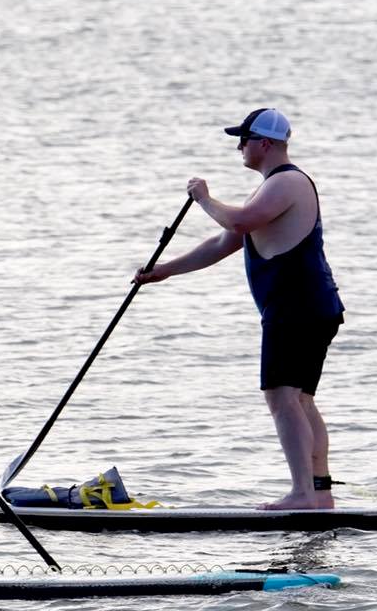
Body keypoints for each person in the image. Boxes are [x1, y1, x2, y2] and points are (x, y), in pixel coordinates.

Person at [134, 109, 344, 510]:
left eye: (244, 139)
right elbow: (222, 243)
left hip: (296, 307)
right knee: (299, 399)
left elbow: (242, 222)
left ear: (264, 143)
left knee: (282, 397)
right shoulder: (270, 189)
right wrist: (164, 271)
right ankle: (319, 493)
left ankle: (302, 494)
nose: (239, 146)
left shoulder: (288, 183)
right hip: (309, 306)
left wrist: (204, 198)